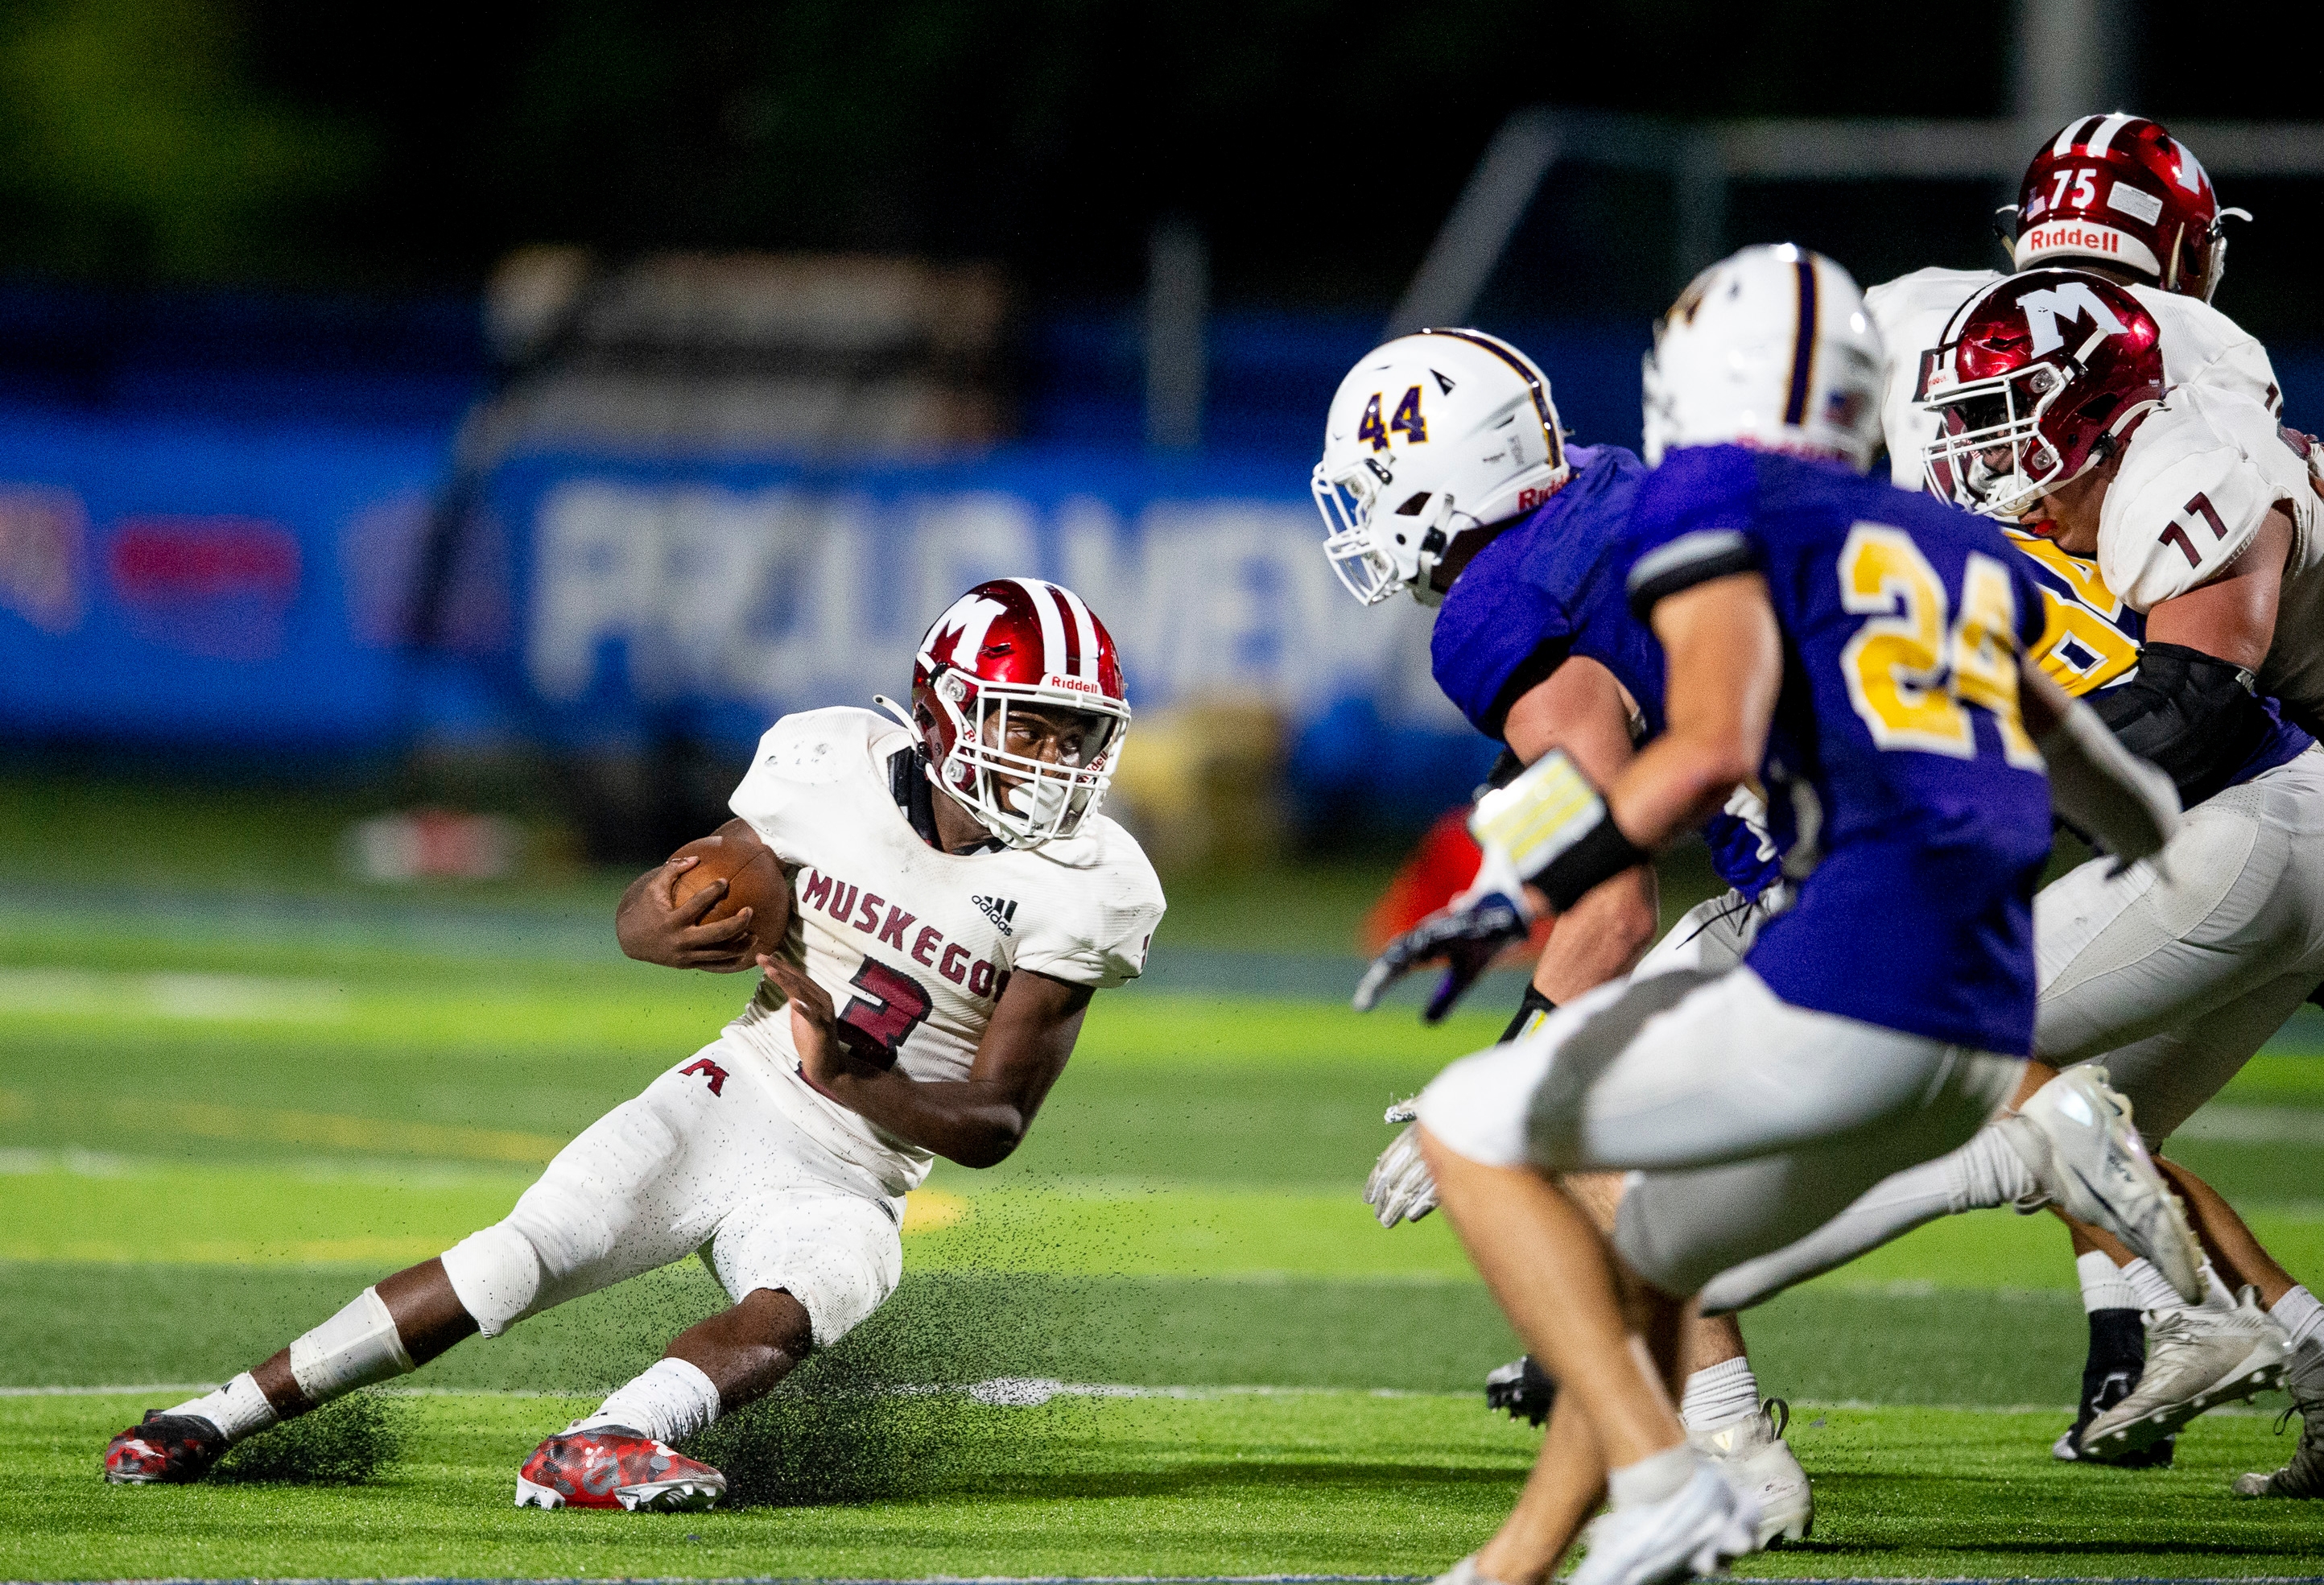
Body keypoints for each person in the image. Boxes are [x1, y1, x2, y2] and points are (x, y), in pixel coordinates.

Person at [1387, 244, 2186, 1585]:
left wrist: (1505, 899)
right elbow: (2079, 752)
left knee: (1475, 1123)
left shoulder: (1699, 501)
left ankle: (1680, 1476)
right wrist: (2159, 838)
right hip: (1982, 983)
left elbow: (1683, 762)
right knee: (1638, 1249)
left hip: (1847, 969)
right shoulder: (1923, 526)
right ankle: (1554, 1545)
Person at [101, 579, 1166, 1511]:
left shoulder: (1093, 886)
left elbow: (995, 1124)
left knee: (815, 1293)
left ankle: (605, 1443)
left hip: (862, 1169)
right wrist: (647, 922)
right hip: (738, 1092)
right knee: (521, 1254)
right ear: (943, 710)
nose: (1054, 759)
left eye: (1076, 734)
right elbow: (683, 890)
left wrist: (862, 1080)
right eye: (1027, 724)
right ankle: (211, 1415)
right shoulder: (824, 763)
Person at [1768, 258, 2324, 1493]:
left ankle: (2181, 1327)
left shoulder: (2178, 474)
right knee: (2088, 1117)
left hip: (2290, 819)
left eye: (1994, 420)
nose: (1969, 453)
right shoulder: (2086, 484)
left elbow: (2191, 712)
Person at [1311, 327, 1810, 1571]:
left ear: (1445, 481)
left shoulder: (1499, 606)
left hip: (1848, 878)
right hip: (1935, 814)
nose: (1365, 519)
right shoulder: (1599, 488)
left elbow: (1609, 909)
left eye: (1377, 484)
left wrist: (1492, 1075)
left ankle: (1726, 1440)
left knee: (1569, 1094)